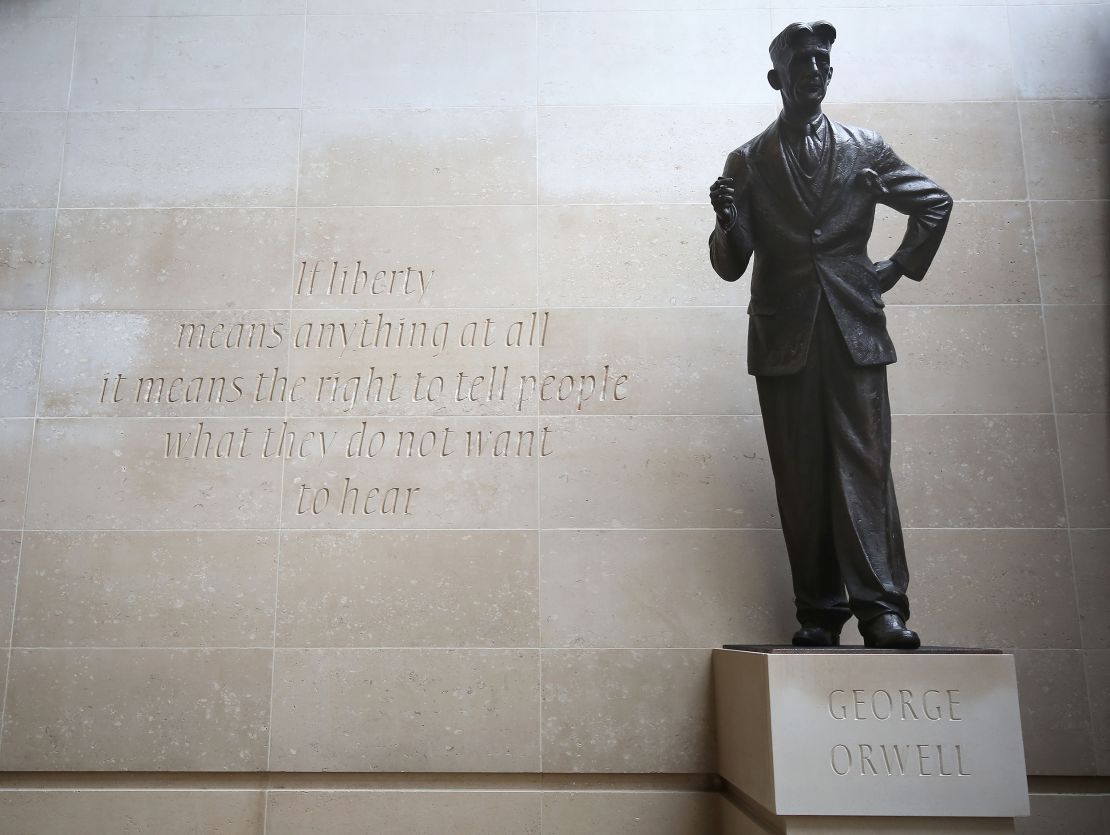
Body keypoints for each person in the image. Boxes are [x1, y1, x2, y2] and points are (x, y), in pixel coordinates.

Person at [708, 21, 952, 649]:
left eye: (823, 60)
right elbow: (732, 263)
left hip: (852, 329)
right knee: (800, 474)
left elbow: (935, 202)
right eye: (802, 61)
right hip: (783, 337)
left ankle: (882, 610)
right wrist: (726, 222)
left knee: (864, 467)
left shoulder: (865, 147)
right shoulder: (748, 160)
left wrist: (893, 269)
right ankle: (819, 610)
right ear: (777, 78)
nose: (815, 69)